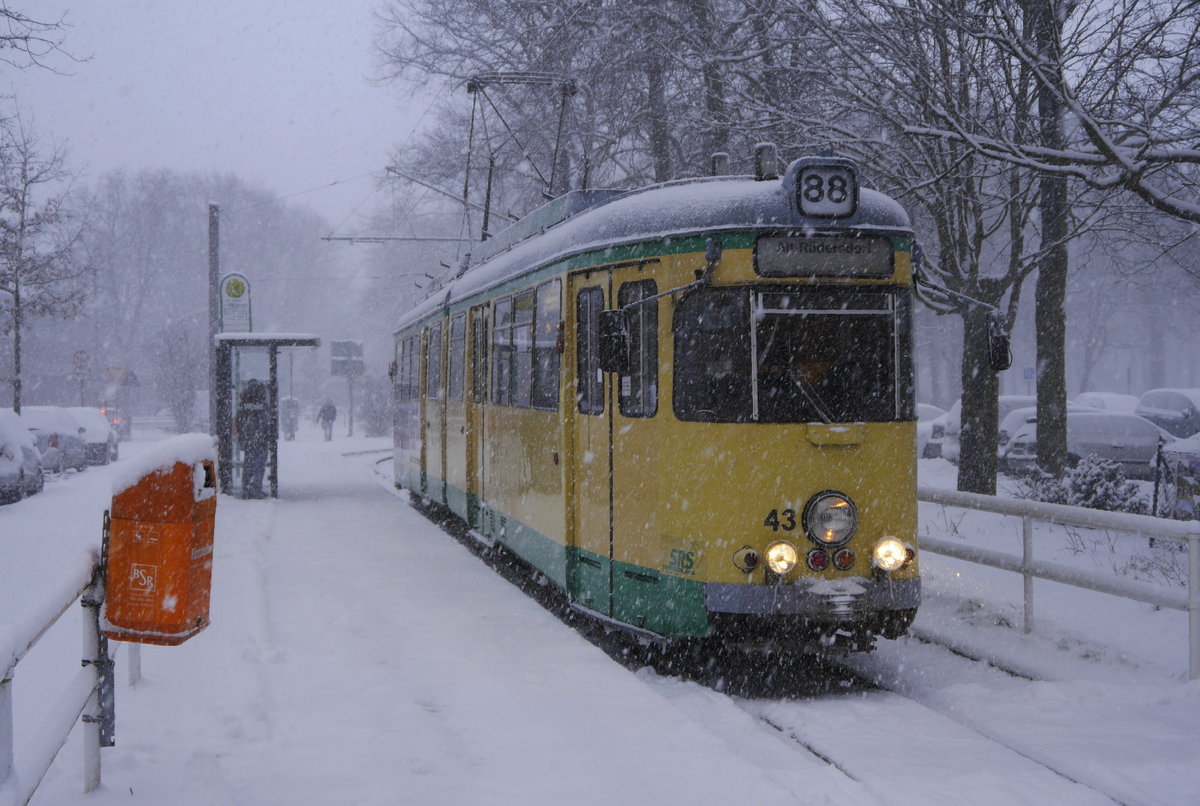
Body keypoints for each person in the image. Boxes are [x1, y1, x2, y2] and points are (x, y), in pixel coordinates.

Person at [236, 379, 271, 499]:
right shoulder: (261, 404)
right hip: (260, 438)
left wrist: (242, 435)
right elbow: (267, 419)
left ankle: (246, 489)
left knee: (249, 462)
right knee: (259, 463)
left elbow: (239, 420)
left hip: (249, 438)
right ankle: (255, 488)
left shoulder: (244, 403)